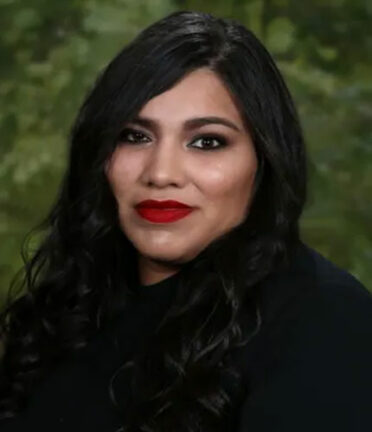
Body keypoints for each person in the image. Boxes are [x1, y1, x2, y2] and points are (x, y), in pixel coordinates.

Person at [0, 10, 371, 432]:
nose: (161, 173)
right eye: (135, 136)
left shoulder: (326, 320)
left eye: (207, 141)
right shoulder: (71, 308)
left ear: (264, 161)